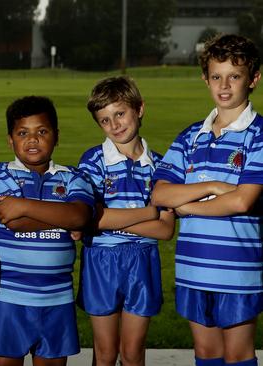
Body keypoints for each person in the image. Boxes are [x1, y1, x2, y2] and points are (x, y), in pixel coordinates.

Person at [152, 34, 263, 366]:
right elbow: (159, 193)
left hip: (238, 270)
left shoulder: (258, 135)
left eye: (235, 76)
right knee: (206, 353)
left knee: (238, 354)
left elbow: (242, 202)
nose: (224, 85)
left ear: (254, 79)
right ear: (206, 79)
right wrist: (215, 185)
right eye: (216, 76)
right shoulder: (190, 136)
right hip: (193, 267)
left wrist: (186, 206)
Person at [0, 96, 94, 366]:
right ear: (10, 139)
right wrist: (64, 218)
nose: (32, 140)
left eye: (42, 131)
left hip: (57, 297)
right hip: (8, 295)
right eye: (23, 133)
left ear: (56, 136)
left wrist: (21, 204)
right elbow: (13, 222)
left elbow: (80, 216)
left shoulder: (73, 176)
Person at [76, 76, 175, 366]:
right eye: (105, 120)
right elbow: (90, 219)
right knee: (105, 354)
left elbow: (166, 229)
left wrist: (110, 219)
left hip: (142, 261)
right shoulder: (93, 161)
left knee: (133, 354)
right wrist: (148, 213)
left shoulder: (161, 165)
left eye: (119, 114)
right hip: (101, 260)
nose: (115, 125)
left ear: (140, 109)